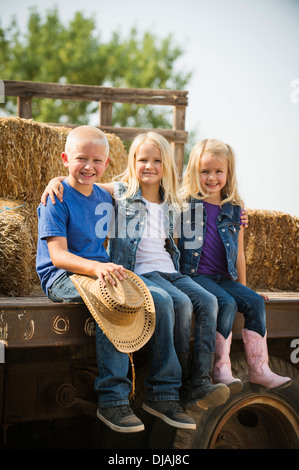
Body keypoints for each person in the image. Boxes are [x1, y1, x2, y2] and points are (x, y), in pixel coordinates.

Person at [43, 131, 245, 411]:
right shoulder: (120, 193)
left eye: (157, 161)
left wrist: (236, 213)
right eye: (143, 160)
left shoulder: (175, 201)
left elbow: (209, 200)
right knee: (178, 304)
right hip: (138, 273)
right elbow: (83, 184)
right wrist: (55, 181)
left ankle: (199, 381)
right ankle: (168, 386)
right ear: (132, 162)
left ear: (167, 166)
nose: (149, 166)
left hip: (170, 272)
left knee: (208, 301)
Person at [36, 125, 196, 434]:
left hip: (99, 273)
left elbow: (148, 194)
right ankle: (112, 400)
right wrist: (97, 269)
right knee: (112, 302)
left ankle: (164, 391)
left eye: (97, 161)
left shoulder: (104, 197)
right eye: (81, 158)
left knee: (158, 298)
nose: (89, 166)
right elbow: (57, 255)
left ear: (107, 164)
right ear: (65, 159)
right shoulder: (55, 198)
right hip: (64, 276)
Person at [178, 139, 292, 391]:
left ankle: (259, 368)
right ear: (194, 171)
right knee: (226, 303)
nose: (211, 177)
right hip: (196, 276)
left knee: (253, 302)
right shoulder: (185, 205)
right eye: (204, 171)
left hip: (224, 278)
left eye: (219, 171)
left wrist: (245, 289)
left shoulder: (234, 209)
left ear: (228, 173)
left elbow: (239, 254)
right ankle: (221, 367)